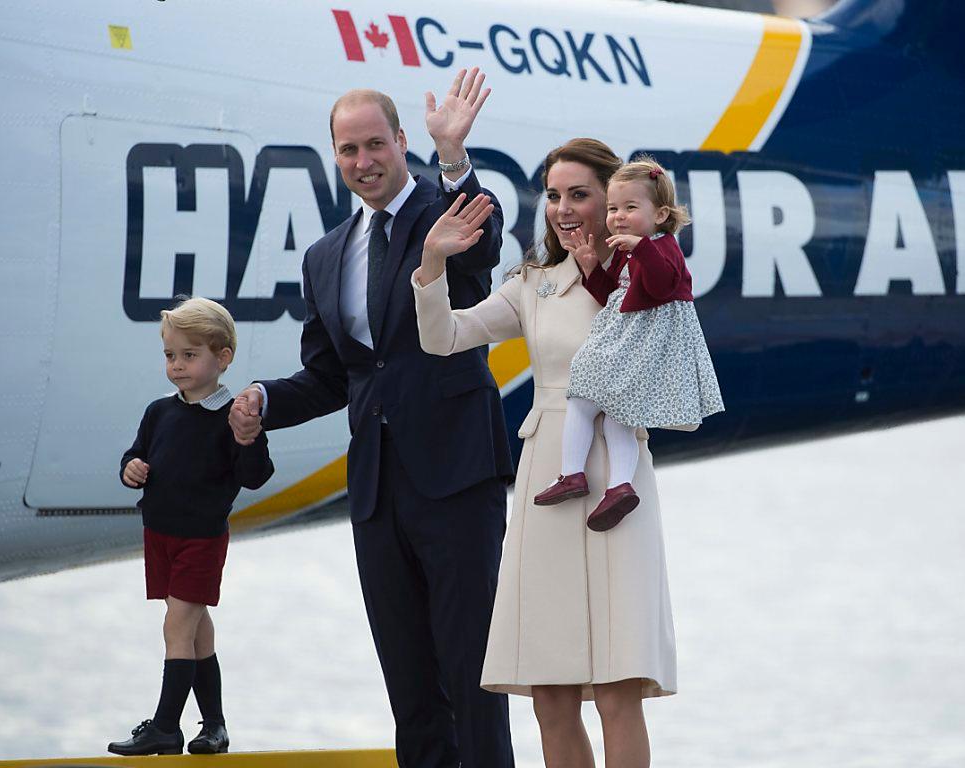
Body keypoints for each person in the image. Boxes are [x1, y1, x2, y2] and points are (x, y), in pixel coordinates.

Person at [228, 69, 516, 768]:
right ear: (335, 155)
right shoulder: (325, 256)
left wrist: (454, 157)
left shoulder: (442, 213)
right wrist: (264, 401)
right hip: (378, 492)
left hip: (456, 478)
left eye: (375, 145)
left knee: (474, 674)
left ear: (401, 141)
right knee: (410, 686)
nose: (364, 161)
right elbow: (334, 376)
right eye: (348, 149)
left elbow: (483, 248)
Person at [413, 138, 675, 768]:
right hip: (549, 477)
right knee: (551, 695)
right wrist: (432, 265)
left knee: (617, 688)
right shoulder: (532, 284)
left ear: (614, 201)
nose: (562, 209)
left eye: (579, 195)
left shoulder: (648, 275)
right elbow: (444, 336)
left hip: (617, 478)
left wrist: (614, 264)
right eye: (553, 195)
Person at [110, 297, 274, 756]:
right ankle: (215, 728)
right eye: (170, 356)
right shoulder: (159, 411)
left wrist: (249, 437)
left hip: (201, 538)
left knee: (177, 626)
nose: (177, 365)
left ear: (223, 358)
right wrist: (131, 468)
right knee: (197, 628)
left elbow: (255, 476)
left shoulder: (234, 415)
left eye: (189, 355)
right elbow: (137, 453)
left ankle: (166, 727)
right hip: (159, 533)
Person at [534, 158, 724, 531]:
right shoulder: (629, 250)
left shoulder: (663, 247)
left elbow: (661, 285)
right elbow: (611, 294)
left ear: (661, 214)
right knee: (618, 416)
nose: (619, 217)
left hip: (642, 343)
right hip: (628, 335)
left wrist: (641, 248)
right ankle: (619, 487)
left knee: (581, 395)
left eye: (630, 208)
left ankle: (572, 474)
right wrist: (591, 267)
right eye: (613, 209)